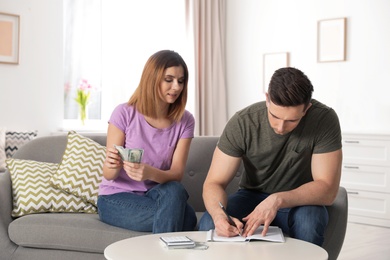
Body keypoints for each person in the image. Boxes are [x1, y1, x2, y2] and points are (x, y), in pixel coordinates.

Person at [198, 67, 342, 246]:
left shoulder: (324, 120)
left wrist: (277, 200)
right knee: (208, 223)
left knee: (309, 222)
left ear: (306, 109)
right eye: (275, 116)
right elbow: (214, 182)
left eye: (291, 120)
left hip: (299, 201)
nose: (281, 127)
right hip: (252, 196)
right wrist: (219, 215)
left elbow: (327, 189)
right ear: (267, 99)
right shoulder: (243, 122)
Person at [97, 50, 197, 233]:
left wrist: (149, 173)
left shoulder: (186, 121)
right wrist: (113, 165)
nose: (176, 87)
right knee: (187, 219)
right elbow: (109, 175)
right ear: (152, 78)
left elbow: (176, 174)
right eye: (169, 79)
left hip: (157, 195)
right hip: (116, 197)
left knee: (175, 190)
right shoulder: (124, 113)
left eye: (180, 81)